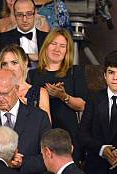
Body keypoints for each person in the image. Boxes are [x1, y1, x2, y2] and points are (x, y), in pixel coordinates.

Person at [28, 28, 87, 160]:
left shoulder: (74, 72)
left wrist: (63, 96)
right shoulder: (32, 75)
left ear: (67, 50)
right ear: (46, 46)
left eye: (62, 46)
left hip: (68, 133)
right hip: (39, 133)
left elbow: (82, 105)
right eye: (53, 44)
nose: (57, 49)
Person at [0, 44, 50, 122]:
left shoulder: (40, 92)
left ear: (25, 62)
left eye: (14, 63)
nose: (9, 68)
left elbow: (46, 127)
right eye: (4, 64)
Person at [0, 0, 48, 65]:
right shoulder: (3, 38)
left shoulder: (47, 38)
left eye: (29, 14)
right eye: (19, 15)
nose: (24, 19)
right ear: (15, 15)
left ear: (35, 14)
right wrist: (28, 56)